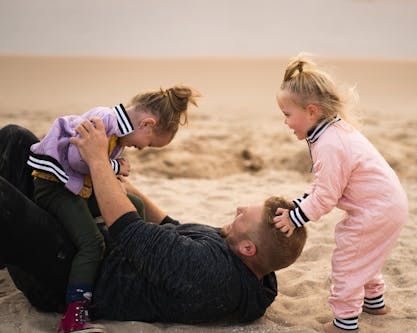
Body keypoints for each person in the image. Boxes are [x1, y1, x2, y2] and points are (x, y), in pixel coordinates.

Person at [0, 123, 307, 326]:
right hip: (87, 241)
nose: (238, 208)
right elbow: (169, 225)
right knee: (16, 141)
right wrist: (121, 185)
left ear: (248, 248)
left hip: (68, 274)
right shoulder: (256, 266)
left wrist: (98, 161)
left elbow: (130, 230)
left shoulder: (212, 276)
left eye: (243, 216)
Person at [26, 85, 200, 333]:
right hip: (55, 187)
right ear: (147, 124)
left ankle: (121, 260)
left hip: (76, 188)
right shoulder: (103, 120)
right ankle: (75, 312)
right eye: (148, 144)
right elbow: (78, 156)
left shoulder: (117, 132)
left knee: (135, 204)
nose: (141, 149)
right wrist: (114, 167)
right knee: (92, 244)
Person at [272, 54, 408, 332]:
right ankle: (374, 303)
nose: (285, 123)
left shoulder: (329, 144)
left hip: (376, 209)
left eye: (287, 115)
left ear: (311, 111)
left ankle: (345, 323)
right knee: (366, 254)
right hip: (389, 204)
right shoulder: (334, 131)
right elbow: (325, 185)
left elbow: (326, 198)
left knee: (349, 259)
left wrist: (295, 219)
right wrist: (298, 204)